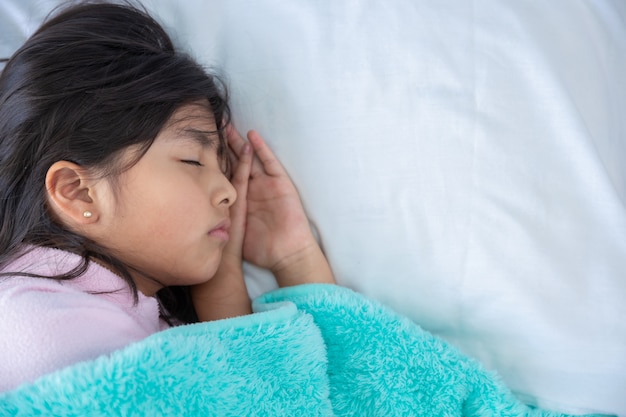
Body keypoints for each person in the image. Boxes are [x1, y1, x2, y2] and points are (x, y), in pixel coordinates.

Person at [0, 1, 334, 392]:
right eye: (193, 161)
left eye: (224, 168)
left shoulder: (112, 314)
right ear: (79, 193)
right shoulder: (41, 329)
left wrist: (288, 257)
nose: (229, 191)